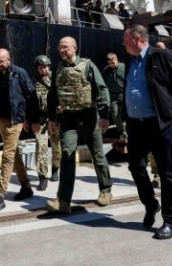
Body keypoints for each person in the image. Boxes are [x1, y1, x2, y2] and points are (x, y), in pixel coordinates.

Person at [122, 25, 172, 239]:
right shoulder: (131, 61)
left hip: (160, 124)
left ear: (136, 40)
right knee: (136, 166)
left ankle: (171, 221)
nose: (123, 45)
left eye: (125, 40)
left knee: (167, 173)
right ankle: (150, 203)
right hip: (136, 125)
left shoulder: (162, 56)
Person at [43, 37, 113, 214]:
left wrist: (104, 115)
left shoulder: (88, 66)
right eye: (60, 48)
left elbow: (102, 89)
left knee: (97, 154)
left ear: (75, 48)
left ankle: (105, 190)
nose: (62, 50)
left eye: (65, 47)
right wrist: (52, 118)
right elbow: (52, 95)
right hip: (68, 118)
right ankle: (64, 200)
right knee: (67, 154)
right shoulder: (58, 68)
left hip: (89, 116)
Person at [0, 48, 35, 213]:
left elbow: (31, 96)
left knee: (7, 155)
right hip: (1, 120)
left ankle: (0, 195)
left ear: (9, 59)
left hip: (15, 120)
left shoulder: (19, 73)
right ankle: (26, 187)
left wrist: (30, 118)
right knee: (14, 154)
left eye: (2, 60)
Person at [30, 55, 61, 189]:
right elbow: (29, 102)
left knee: (56, 146)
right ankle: (42, 177)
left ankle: (55, 168)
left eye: (47, 67)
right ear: (37, 68)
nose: (45, 70)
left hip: (55, 119)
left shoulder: (56, 80)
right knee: (41, 147)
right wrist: (30, 120)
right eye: (42, 67)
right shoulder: (32, 83)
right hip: (41, 120)